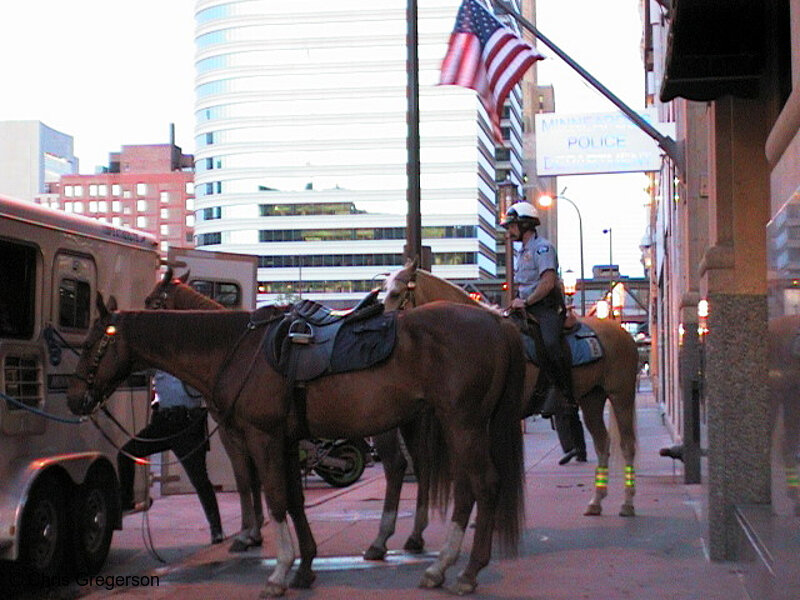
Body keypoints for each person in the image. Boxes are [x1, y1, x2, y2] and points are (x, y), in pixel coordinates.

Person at [118, 370, 224, 544]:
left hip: (187, 424)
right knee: (126, 454)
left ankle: (216, 529)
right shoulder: (159, 363)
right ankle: (126, 501)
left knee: (200, 479)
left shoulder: (189, 361)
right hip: (164, 422)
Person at [501, 200, 575, 418]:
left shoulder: (542, 247)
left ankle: (563, 391)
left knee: (551, 343)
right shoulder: (521, 251)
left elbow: (548, 282)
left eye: (512, 225)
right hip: (524, 307)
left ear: (525, 225)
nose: (510, 230)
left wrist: (527, 301)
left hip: (544, 307)